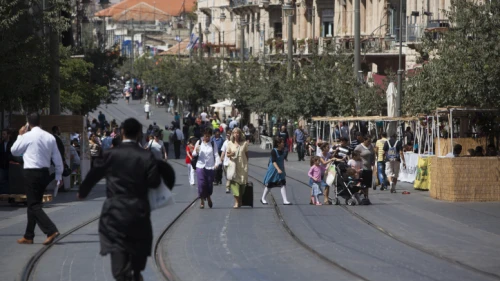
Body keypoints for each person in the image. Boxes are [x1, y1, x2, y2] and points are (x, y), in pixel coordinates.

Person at [78, 118, 161, 281]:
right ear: (139, 134)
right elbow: (155, 182)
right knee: (137, 257)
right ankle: (136, 273)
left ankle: (125, 274)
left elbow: (94, 174)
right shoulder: (146, 156)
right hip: (139, 213)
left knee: (119, 267)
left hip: (115, 213)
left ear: (122, 132)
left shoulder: (110, 154)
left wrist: (83, 192)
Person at [12, 113, 62, 245]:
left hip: (31, 173)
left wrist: (20, 135)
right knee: (33, 203)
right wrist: (58, 175)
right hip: (44, 173)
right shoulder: (49, 137)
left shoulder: (26, 136)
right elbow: (57, 158)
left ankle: (51, 230)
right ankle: (29, 235)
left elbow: (14, 151)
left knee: (34, 205)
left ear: (28, 123)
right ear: (40, 122)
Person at [192, 128, 220, 209]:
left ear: (211, 136)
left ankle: (208, 197)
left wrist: (217, 163)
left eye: (208, 136)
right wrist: (196, 151)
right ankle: (201, 200)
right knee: (201, 184)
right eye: (205, 136)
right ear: (203, 135)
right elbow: (194, 154)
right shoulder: (199, 142)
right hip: (200, 166)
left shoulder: (213, 143)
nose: (206, 138)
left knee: (209, 185)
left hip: (210, 167)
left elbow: (216, 154)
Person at [261, 137, 292, 205]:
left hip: (280, 170)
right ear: (278, 144)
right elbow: (273, 161)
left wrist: (283, 170)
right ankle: (263, 198)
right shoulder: (274, 151)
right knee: (270, 185)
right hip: (273, 170)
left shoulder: (283, 150)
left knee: (282, 183)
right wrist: (278, 169)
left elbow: (282, 160)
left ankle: (285, 200)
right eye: (282, 142)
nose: (283, 143)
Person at [226, 128, 249, 208]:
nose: (236, 134)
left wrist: (246, 164)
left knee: (243, 185)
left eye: (238, 133)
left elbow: (246, 155)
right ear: (233, 134)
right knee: (235, 184)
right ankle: (236, 202)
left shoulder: (244, 143)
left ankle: (240, 200)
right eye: (235, 133)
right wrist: (231, 154)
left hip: (242, 166)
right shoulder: (230, 143)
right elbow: (227, 155)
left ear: (240, 134)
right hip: (234, 166)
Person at [354, 135, 375, 203]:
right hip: (362, 167)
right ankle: (359, 194)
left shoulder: (370, 146)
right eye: (368, 141)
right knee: (362, 183)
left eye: (370, 141)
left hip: (368, 167)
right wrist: (358, 159)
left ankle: (366, 198)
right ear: (364, 140)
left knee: (367, 184)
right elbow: (354, 154)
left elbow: (373, 153)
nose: (369, 142)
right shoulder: (359, 147)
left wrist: (373, 161)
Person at [0, 129, 14, 193]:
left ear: (8, 135)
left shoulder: (12, 143)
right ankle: (3, 195)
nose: (2, 136)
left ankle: (10, 195)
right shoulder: (1, 144)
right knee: (2, 180)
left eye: (4, 134)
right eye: (2, 134)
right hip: (2, 165)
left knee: (11, 181)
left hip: (10, 165)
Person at [220, 128, 233, 193]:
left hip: (231, 162)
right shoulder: (225, 142)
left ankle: (227, 187)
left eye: (229, 135)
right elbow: (223, 151)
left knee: (229, 175)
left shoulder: (234, 142)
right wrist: (221, 158)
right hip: (225, 162)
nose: (227, 136)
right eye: (227, 135)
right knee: (226, 175)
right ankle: (230, 184)